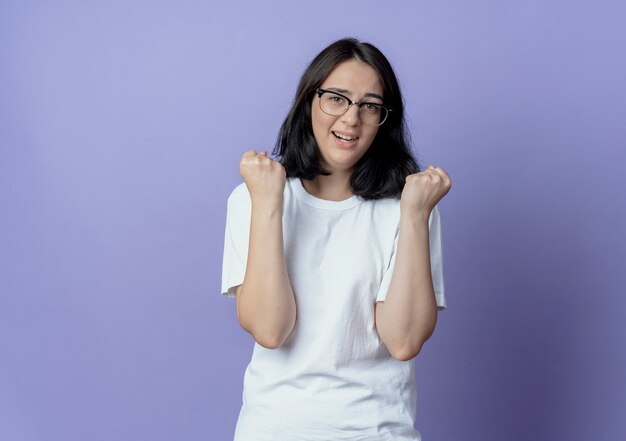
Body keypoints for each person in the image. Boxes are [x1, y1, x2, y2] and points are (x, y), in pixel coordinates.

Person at [221, 38, 452, 441]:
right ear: (309, 100)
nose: (351, 119)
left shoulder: (410, 205)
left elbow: (403, 340)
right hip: (272, 430)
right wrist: (269, 204)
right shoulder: (254, 196)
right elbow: (270, 329)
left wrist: (415, 215)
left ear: (384, 119)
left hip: (378, 432)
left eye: (370, 105)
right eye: (337, 99)